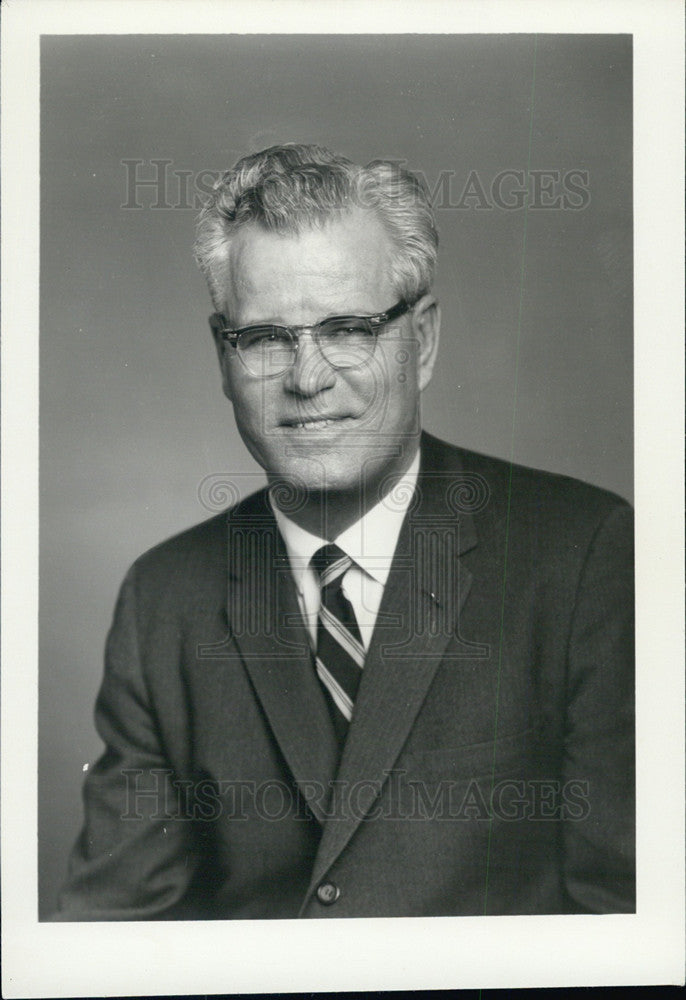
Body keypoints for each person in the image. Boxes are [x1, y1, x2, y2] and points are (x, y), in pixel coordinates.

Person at [55, 143, 635, 920]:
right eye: (265, 339)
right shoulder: (163, 599)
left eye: (348, 330)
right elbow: (112, 940)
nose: (307, 377)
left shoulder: (582, 554)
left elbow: (632, 925)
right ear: (222, 359)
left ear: (421, 342)